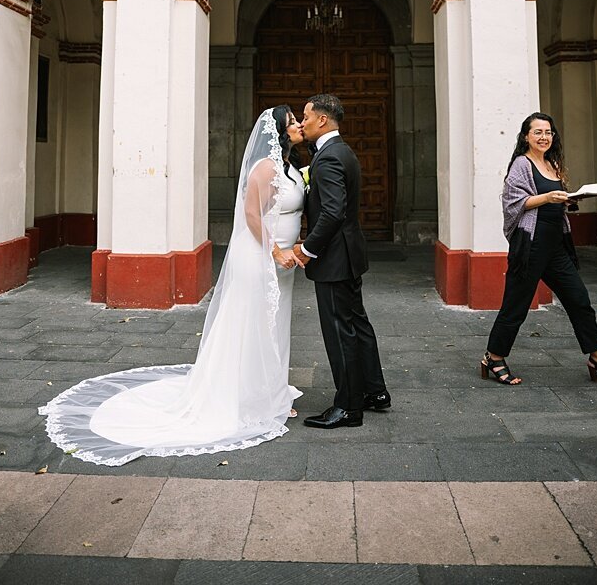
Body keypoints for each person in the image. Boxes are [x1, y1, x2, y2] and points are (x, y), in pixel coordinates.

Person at [39, 106, 306, 465]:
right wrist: (274, 249)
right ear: (278, 132)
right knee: (251, 323)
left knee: (266, 323)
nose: (299, 126)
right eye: (292, 123)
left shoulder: (285, 167)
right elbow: (252, 215)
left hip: (268, 256)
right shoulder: (265, 168)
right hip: (257, 256)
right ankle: (245, 395)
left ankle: (266, 390)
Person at [482, 112, 597, 388]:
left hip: (556, 246)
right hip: (530, 245)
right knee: (516, 305)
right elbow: (514, 202)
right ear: (526, 136)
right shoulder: (521, 164)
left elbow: (555, 203)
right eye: (537, 132)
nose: (544, 137)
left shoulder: (552, 163)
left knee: (579, 300)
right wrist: (547, 197)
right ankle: (494, 357)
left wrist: (570, 199)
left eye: (548, 132)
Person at [294, 93, 390, 428]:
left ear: (322, 119)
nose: (301, 122)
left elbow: (333, 212)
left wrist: (307, 249)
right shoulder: (339, 151)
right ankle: (374, 391)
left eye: (305, 117)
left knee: (340, 332)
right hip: (349, 254)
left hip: (334, 259)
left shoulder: (329, 158)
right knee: (357, 324)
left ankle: (349, 407)